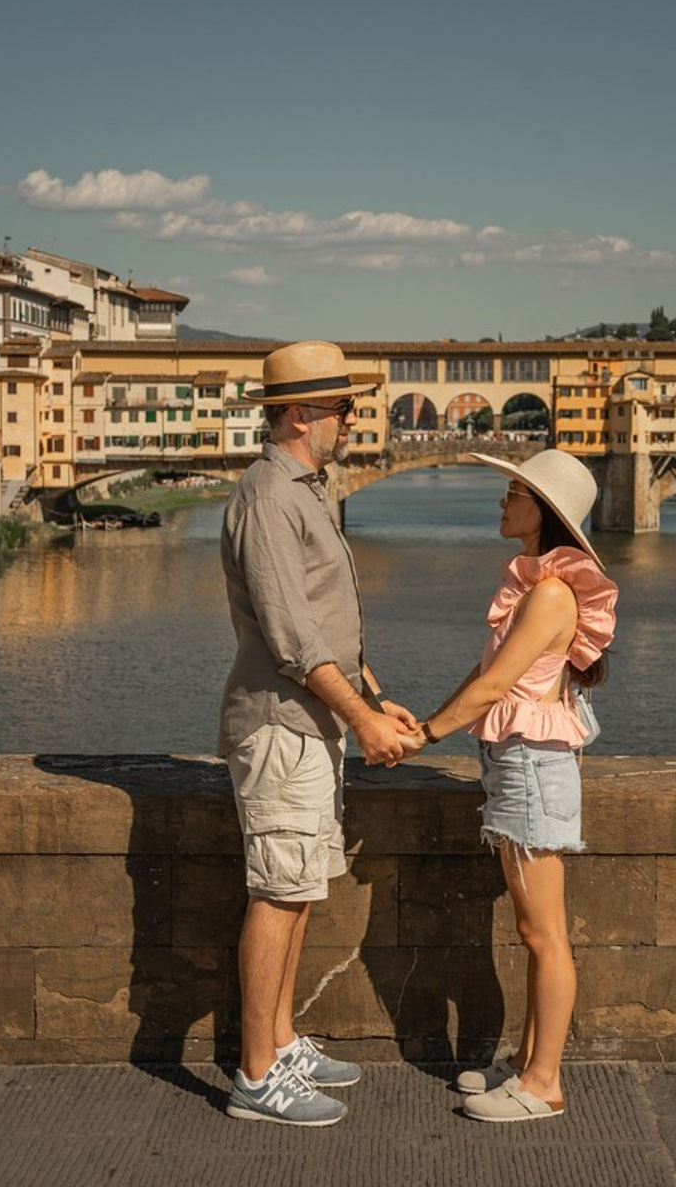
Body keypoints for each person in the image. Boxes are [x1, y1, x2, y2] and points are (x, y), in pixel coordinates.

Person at [218, 341, 421, 1127]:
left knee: (299, 887)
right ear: (302, 416)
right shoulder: (270, 497)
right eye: (345, 408)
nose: (354, 419)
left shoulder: (307, 490)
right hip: (279, 725)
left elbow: (330, 624)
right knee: (277, 891)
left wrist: (375, 696)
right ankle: (256, 1075)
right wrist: (364, 721)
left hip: (311, 723)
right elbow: (293, 637)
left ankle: (280, 1038)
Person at [408, 448, 618, 1122]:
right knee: (536, 931)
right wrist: (425, 724)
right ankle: (527, 1065)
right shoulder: (537, 590)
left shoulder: (551, 593)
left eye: (514, 494)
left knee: (543, 933)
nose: (503, 503)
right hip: (517, 760)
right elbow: (483, 677)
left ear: (544, 513)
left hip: (532, 765)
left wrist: (430, 735)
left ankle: (544, 1085)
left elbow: (497, 688)